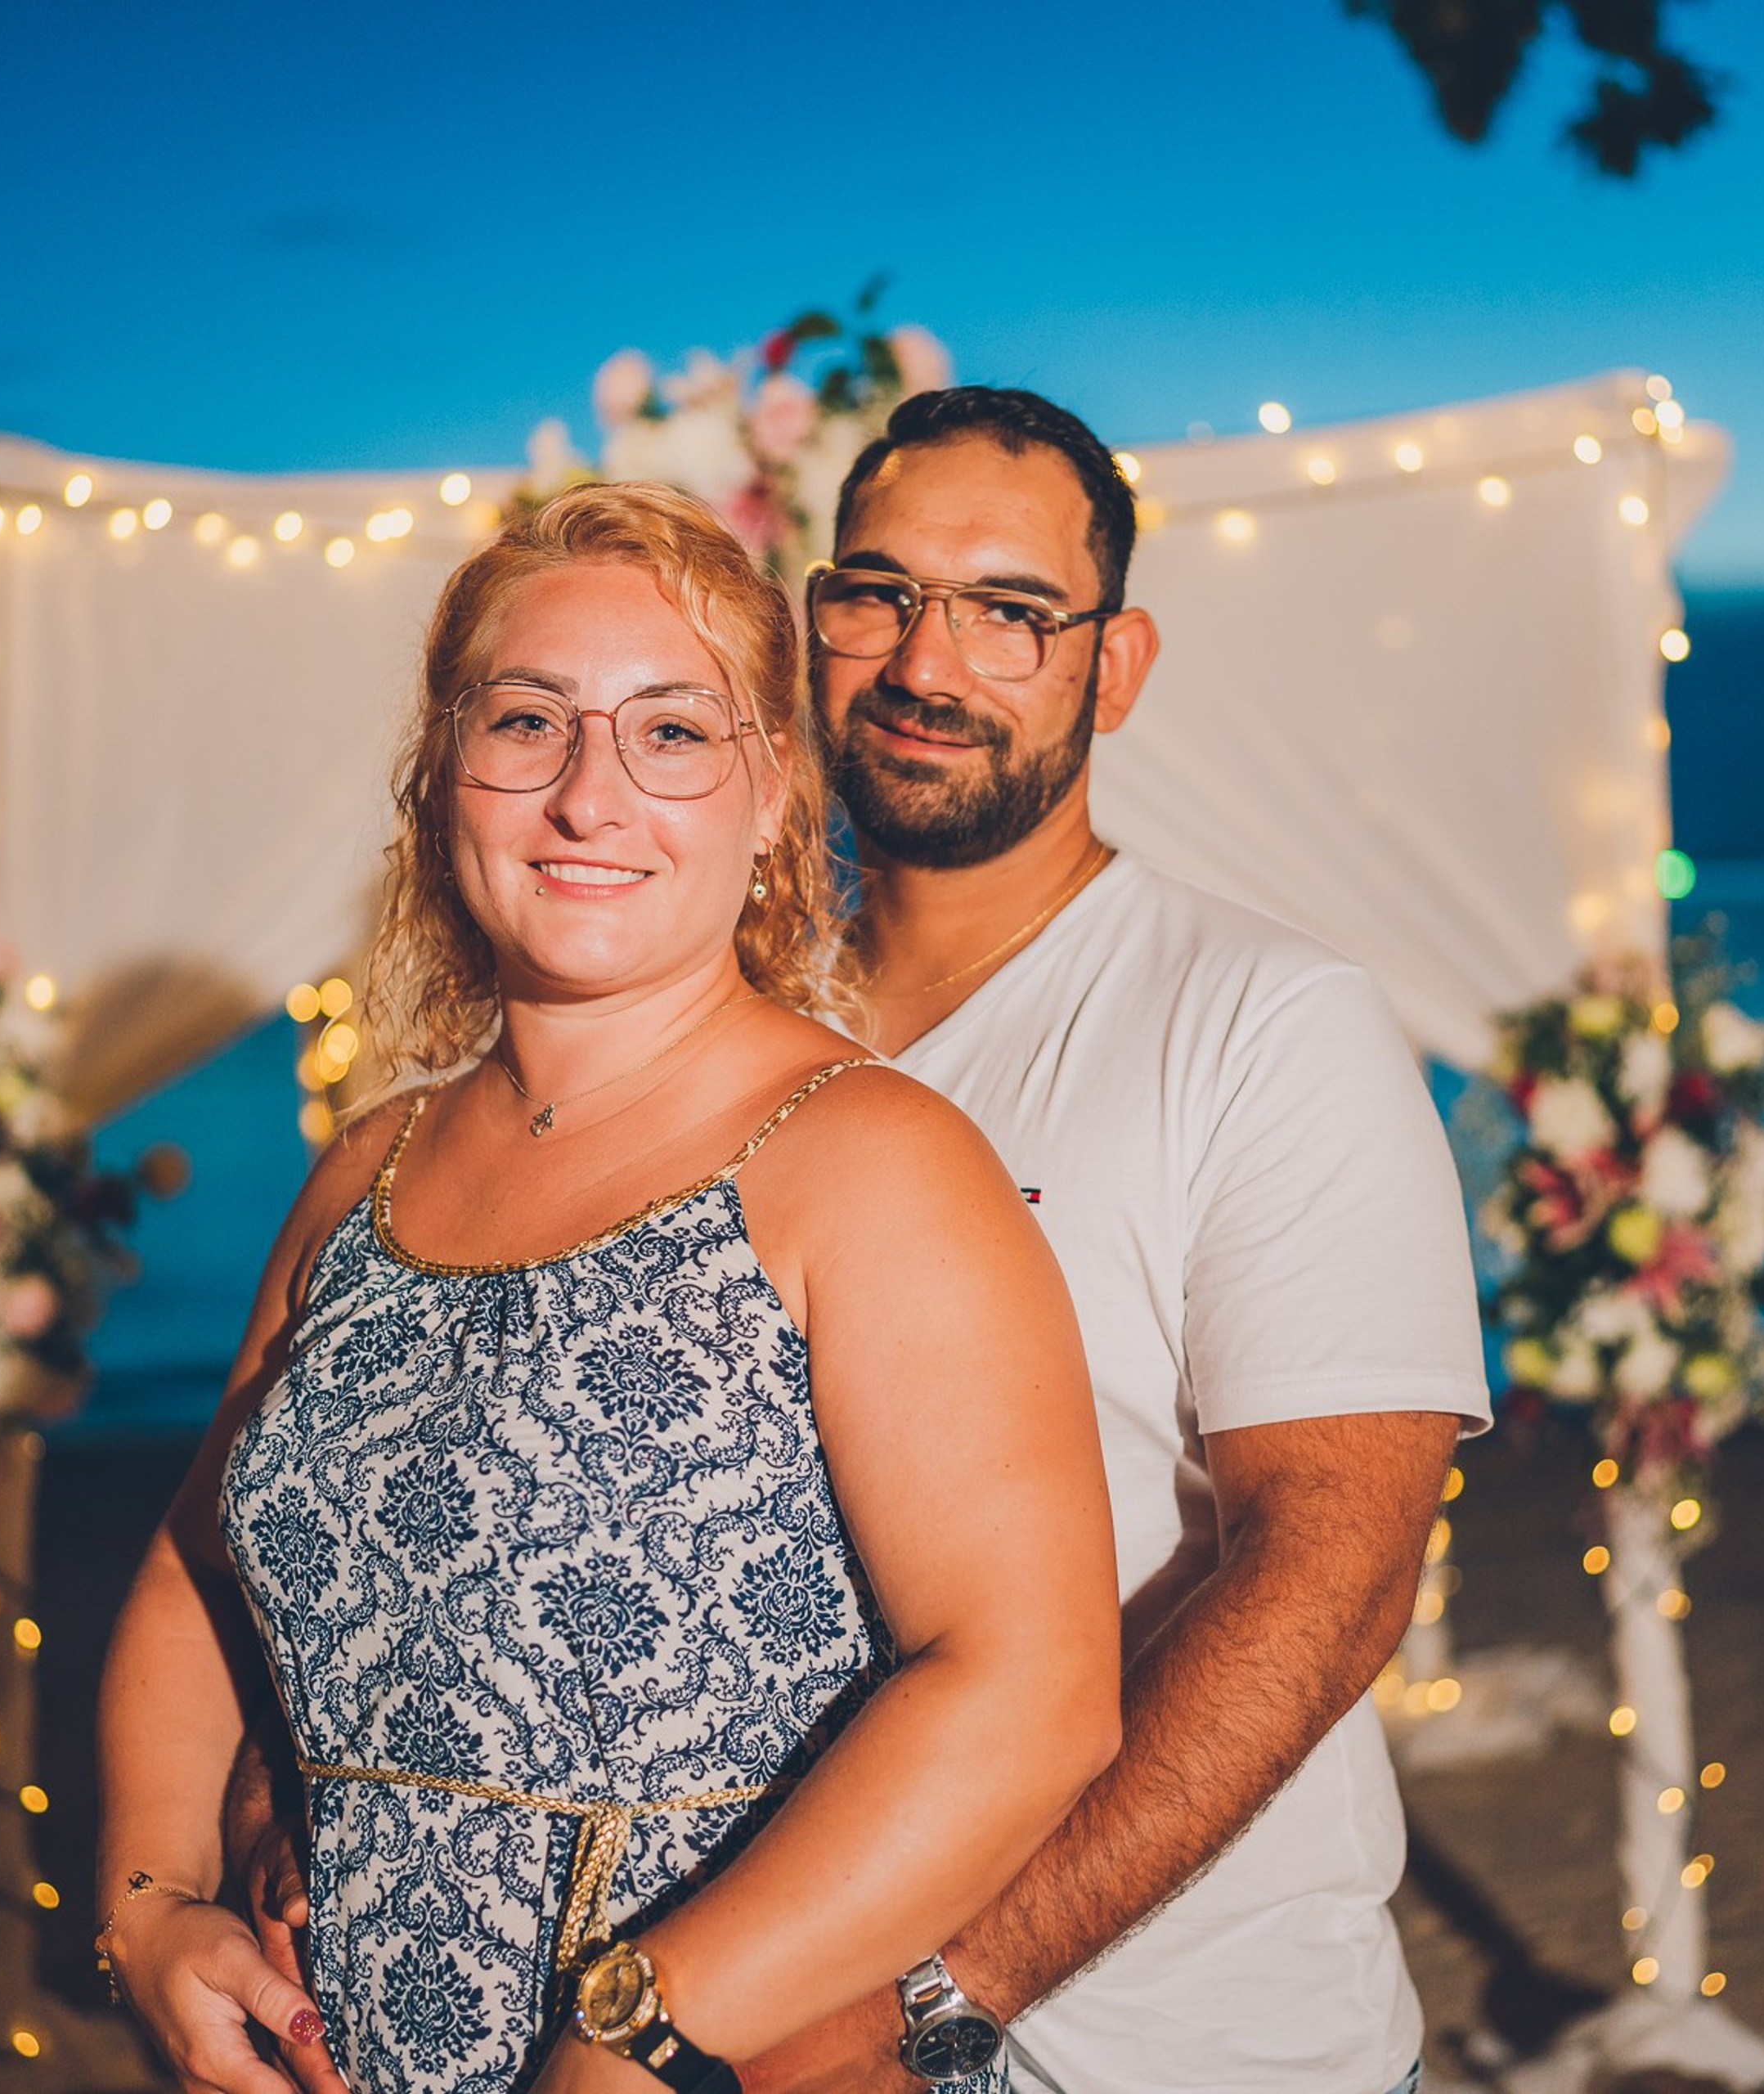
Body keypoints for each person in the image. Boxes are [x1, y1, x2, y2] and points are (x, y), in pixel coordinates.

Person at [234, 389, 1491, 2093]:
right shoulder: (686, 1017)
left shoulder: (1260, 1021)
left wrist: (928, 1995)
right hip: (722, 2005)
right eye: (876, 593)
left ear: (1113, 666)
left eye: (1006, 610)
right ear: (806, 637)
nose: (925, 659)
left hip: (1154, 2028)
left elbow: (1327, 1582)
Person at [93, 480, 1121, 2094]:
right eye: (528, 721)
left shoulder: (864, 1158)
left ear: (770, 790)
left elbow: (1027, 1688)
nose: (590, 795)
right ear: (443, 775)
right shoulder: (363, 1168)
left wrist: (645, 2029)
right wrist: (149, 1902)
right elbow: (193, 1561)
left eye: (669, 732)